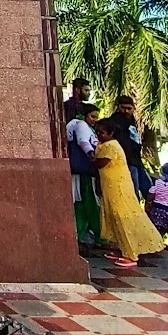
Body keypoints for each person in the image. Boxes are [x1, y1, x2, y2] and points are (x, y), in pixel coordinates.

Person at [93, 116, 165, 268]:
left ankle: (131, 254)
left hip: (119, 188)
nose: (99, 135)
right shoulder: (103, 145)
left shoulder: (111, 146)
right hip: (109, 187)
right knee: (113, 217)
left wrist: (89, 156)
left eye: (102, 132)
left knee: (122, 217)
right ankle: (121, 248)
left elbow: (100, 163)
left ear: (111, 133)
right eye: (97, 132)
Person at [67, 102, 102, 247]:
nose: (95, 120)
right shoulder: (81, 125)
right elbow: (83, 142)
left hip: (82, 170)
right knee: (89, 202)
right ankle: (95, 234)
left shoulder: (77, 125)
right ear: (85, 115)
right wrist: (92, 155)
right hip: (84, 170)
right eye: (92, 116)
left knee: (82, 202)